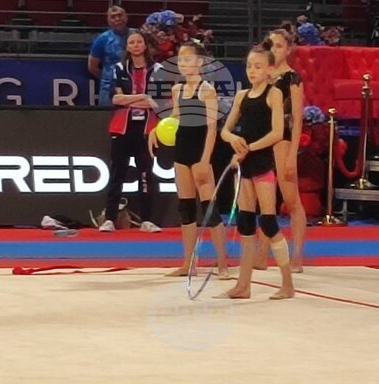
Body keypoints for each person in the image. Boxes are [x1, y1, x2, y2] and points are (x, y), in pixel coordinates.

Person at [217, 46, 296, 300]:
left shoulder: (273, 94)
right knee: (246, 223)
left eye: (258, 66)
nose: (252, 70)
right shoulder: (242, 96)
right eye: (249, 66)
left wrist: (248, 148)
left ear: (270, 69)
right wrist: (234, 140)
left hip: (261, 163)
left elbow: (277, 133)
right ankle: (244, 285)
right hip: (245, 166)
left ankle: (287, 283)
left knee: (268, 223)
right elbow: (224, 130)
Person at [149, 40, 231, 278]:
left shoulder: (207, 90)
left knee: (209, 209)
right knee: (186, 209)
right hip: (182, 153)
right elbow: (174, 119)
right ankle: (189, 263)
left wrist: (205, 160)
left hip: (200, 153)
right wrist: (155, 130)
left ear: (200, 62)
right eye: (180, 59)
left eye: (188, 59)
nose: (183, 63)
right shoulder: (177, 90)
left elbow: (212, 129)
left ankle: (222, 263)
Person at [253, 29, 308, 273]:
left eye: (278, 46)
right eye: (271, 46)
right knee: (265, 202)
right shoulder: (262, 76)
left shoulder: (292, 78)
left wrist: (293, 154)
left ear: (288, 49)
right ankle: (262, 254)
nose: (274, 50)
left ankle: (296, 255)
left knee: (291, 199)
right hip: (262, 140)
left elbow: (296, 119)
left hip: (283, 141)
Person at [102, 30, 161, 233]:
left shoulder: (158, 70)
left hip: (147, 128)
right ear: (127, 47)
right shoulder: (119, 69)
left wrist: (131, 99)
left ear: (145, 45)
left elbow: (158, 102)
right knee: (117, 172)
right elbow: (115, 99)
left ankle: (146, 220)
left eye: (139, 42)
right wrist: (143, 97)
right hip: (122, 127)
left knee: (145, 174)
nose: (135, 45)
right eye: (132, 42)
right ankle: (110, 218)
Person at [88, 5, 129, 107]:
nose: (117, 19)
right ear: (108, 21)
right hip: (109, 88)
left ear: (126, 17)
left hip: (133, 85)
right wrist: (108, 78)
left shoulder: (137, 35)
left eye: (120, 15)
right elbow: (92, 66)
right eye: (113, 17)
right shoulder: (102, 39)